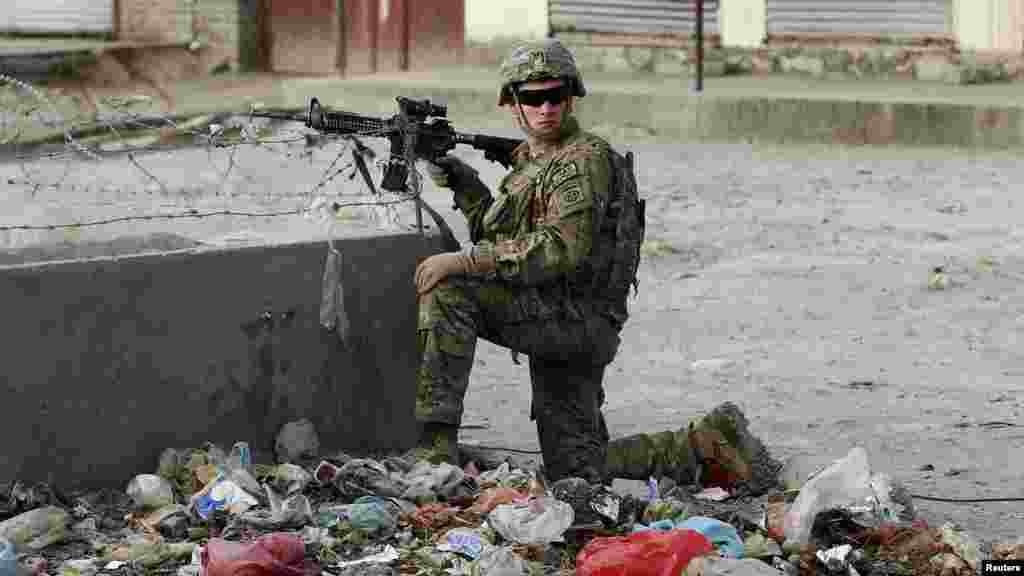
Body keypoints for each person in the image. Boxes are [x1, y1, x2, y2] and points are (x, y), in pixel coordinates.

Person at [413, 39, 638, 485]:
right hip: (561, 317)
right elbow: (507, 238)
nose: (546, 107)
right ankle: (702, 443)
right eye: (533, 97)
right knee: (577, 470)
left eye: (556, 95)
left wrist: (466, 261)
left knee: (449, 291)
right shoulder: (535, 163)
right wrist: (463, 181)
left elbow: (558, 248)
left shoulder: (580, 161)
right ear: (512, 105)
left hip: (573, 321)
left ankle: (435, 451)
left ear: (570, 98)